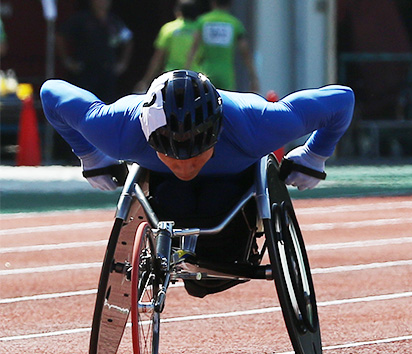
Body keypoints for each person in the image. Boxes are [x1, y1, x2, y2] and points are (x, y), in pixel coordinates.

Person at [41, 70, 354, 296]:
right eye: (172, 155)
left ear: (216, 133)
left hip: (235, 178)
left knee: (216, 207)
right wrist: (90, 155)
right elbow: (50, 93)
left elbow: (342, 100)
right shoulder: (117, 130)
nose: (185, 165)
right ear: (149, 137)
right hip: (166, 189)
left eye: (197, 154)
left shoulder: (260, 126)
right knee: (176, 199)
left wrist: (315, 155)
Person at [56, 0, 133, 103]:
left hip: (108, 70)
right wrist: (67, 60)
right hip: (85, 70)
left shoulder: (114, 21)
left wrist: (123, 63)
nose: (102, 2)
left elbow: (128, 39)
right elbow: (60, 35)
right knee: (85, 103)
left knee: (108, 104)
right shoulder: (81, 19)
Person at [185, 0, 259, 92]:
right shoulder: (234, 23)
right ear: (229, 4)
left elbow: (193, 48)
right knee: (227, 104)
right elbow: (245, 53)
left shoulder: (203, 21)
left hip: (206, 72)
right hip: (226, 74)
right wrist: (253, 77)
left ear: (213, 3)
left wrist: (187, 70)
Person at [134, 0, 201, 91]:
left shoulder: (169, 28)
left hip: (171, 78)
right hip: (195, 77)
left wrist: (146, 80)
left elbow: (158, 58)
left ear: (178, 12)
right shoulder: (200, 29)